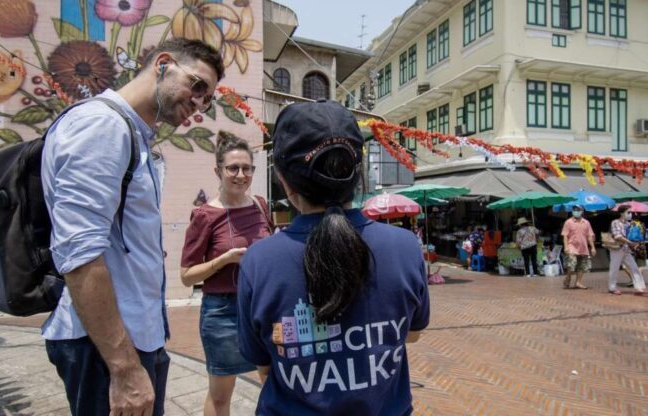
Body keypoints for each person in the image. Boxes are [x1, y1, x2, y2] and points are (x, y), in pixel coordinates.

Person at [41, 38, 224, 415]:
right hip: (106, 349)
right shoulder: (102, 126)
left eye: (209, 99)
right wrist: (124, 368)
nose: (200, 103)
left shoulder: (130, 133)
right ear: (163, 64)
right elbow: (79, 254)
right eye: (198, 86)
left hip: (130, 340)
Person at [236, 100, 430, 415]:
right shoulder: (405, 246)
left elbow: (264, 365)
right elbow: (414, 332)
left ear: (283, 180)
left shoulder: (259, 260)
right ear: (358, 174)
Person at [180, 131, 272, 415]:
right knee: (221, 394)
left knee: (273, 383)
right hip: (223, 312)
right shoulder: (205, 215)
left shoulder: (259, 205)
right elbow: (187, 276)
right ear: (218, 170)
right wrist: (224, 260)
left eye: (247, 168)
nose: (241, 174)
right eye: (233, 168)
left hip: (263, 306)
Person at [607, 206, 648, 296]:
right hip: (617, 249)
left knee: (634, 267)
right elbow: (617, 236)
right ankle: (612, 287)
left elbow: (633, 235)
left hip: (626, 249)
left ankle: (639, 287)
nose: (630, 214)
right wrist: (630, 242)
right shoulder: (615, 222)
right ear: (622, 213)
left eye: (631, 212)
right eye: (628, 212)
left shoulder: (630, 224)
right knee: (614, 268)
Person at [561, 205, 596, 289]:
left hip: (583, 248)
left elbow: (589, 236)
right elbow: (565, 236)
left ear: (582, 211)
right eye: (574, 209)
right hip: (572, 247)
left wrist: (593, 247)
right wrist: (566, 247)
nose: (576, 211)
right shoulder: (568, 222)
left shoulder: (586, 223)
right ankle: (568, 277)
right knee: (572, 265)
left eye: (578, 210)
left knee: (582, 266)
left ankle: (578, 282)